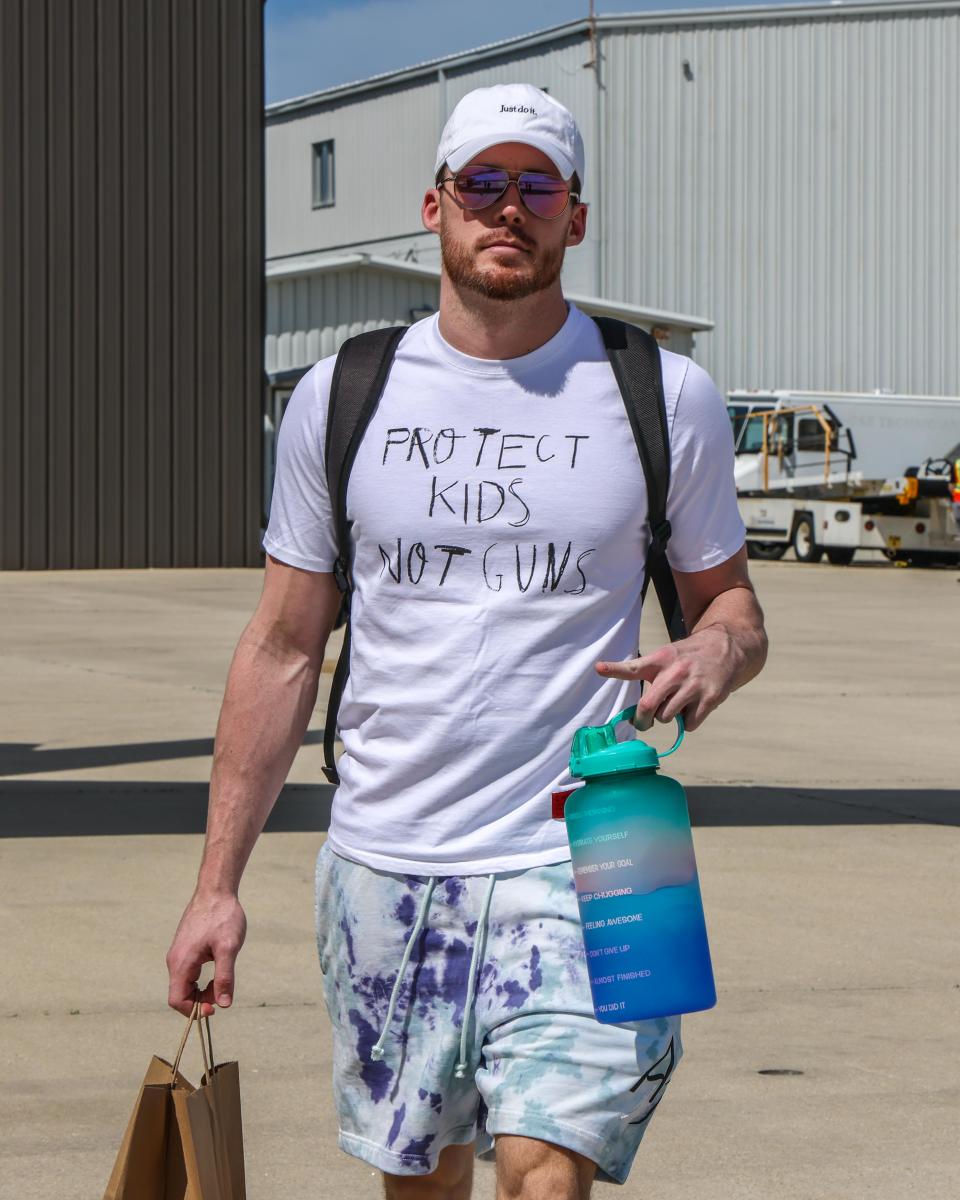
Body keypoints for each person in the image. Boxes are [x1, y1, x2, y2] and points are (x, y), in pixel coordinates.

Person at [166, 84, 768, 1200]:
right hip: (390, 863)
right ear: (435, 206)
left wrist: (716, 655)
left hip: (594, 855)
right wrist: (217, 887)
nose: (510, 209)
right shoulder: (346, 394)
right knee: (424, 1185)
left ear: (574, 219)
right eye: (483, 185)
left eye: (537, 185)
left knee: (549, 1173)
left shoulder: (662, 395)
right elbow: (283, 646)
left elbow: (731, 607)